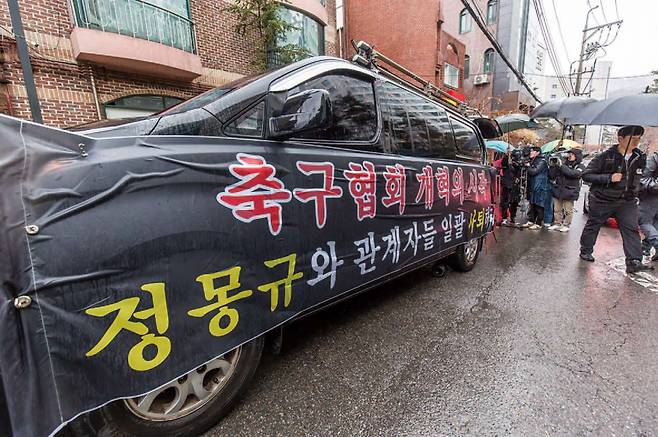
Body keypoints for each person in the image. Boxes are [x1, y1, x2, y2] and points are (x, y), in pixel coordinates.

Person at [579, 125, 653, 274]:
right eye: (633, 138)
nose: (636, 142)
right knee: (594, 225)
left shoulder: (639, 157)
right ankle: (586, 250)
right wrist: (609, 178)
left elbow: (640, 176)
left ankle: (634, 261)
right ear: (620, 138)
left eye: (639, 139)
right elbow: (586, 175)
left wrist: (637, 189)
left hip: (627, 200)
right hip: (603, 199)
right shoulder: (605, 156)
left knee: (631, 229)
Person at [548, 148, 585, 232]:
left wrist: (562, 166)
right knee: (557, 209)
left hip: (570, 191)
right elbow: (552, 176)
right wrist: (553, 166)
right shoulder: (563, 163)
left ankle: (566, 225)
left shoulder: (580, 166)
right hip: (559, 190)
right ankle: (557, 223)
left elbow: (574, 174)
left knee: (568, 210)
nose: (569, 156)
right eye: (569, 154)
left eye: (572, 154)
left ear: (577, 156)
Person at [523, 146, 549, 230]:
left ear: (537, 152)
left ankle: (538, 223)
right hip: (533, 186)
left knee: (539, 205)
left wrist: (528, 166)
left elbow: (534, 171)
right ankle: (531, 221)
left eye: (532, 151)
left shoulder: (542, 161)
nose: (530, 153)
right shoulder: (534, 160)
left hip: (540, 187)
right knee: (532, 205)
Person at [639, 149, 658, 260]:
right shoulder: (654, 159)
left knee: (645, 222)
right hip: (652, 195)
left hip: (651, 197)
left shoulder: (654, 159)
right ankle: (645, 248)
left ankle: (648, 247)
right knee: (652, 223)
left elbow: (643, 180)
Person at [500, 146, 522, 226]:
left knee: (514, 203)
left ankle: (513, 218)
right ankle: (504, 218)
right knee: (505, 203)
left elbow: (520, 172)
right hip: (507, 184)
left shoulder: (518, 164)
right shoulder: (507, 162)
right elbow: (504, 163)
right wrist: (507, 155)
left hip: (515, 186)